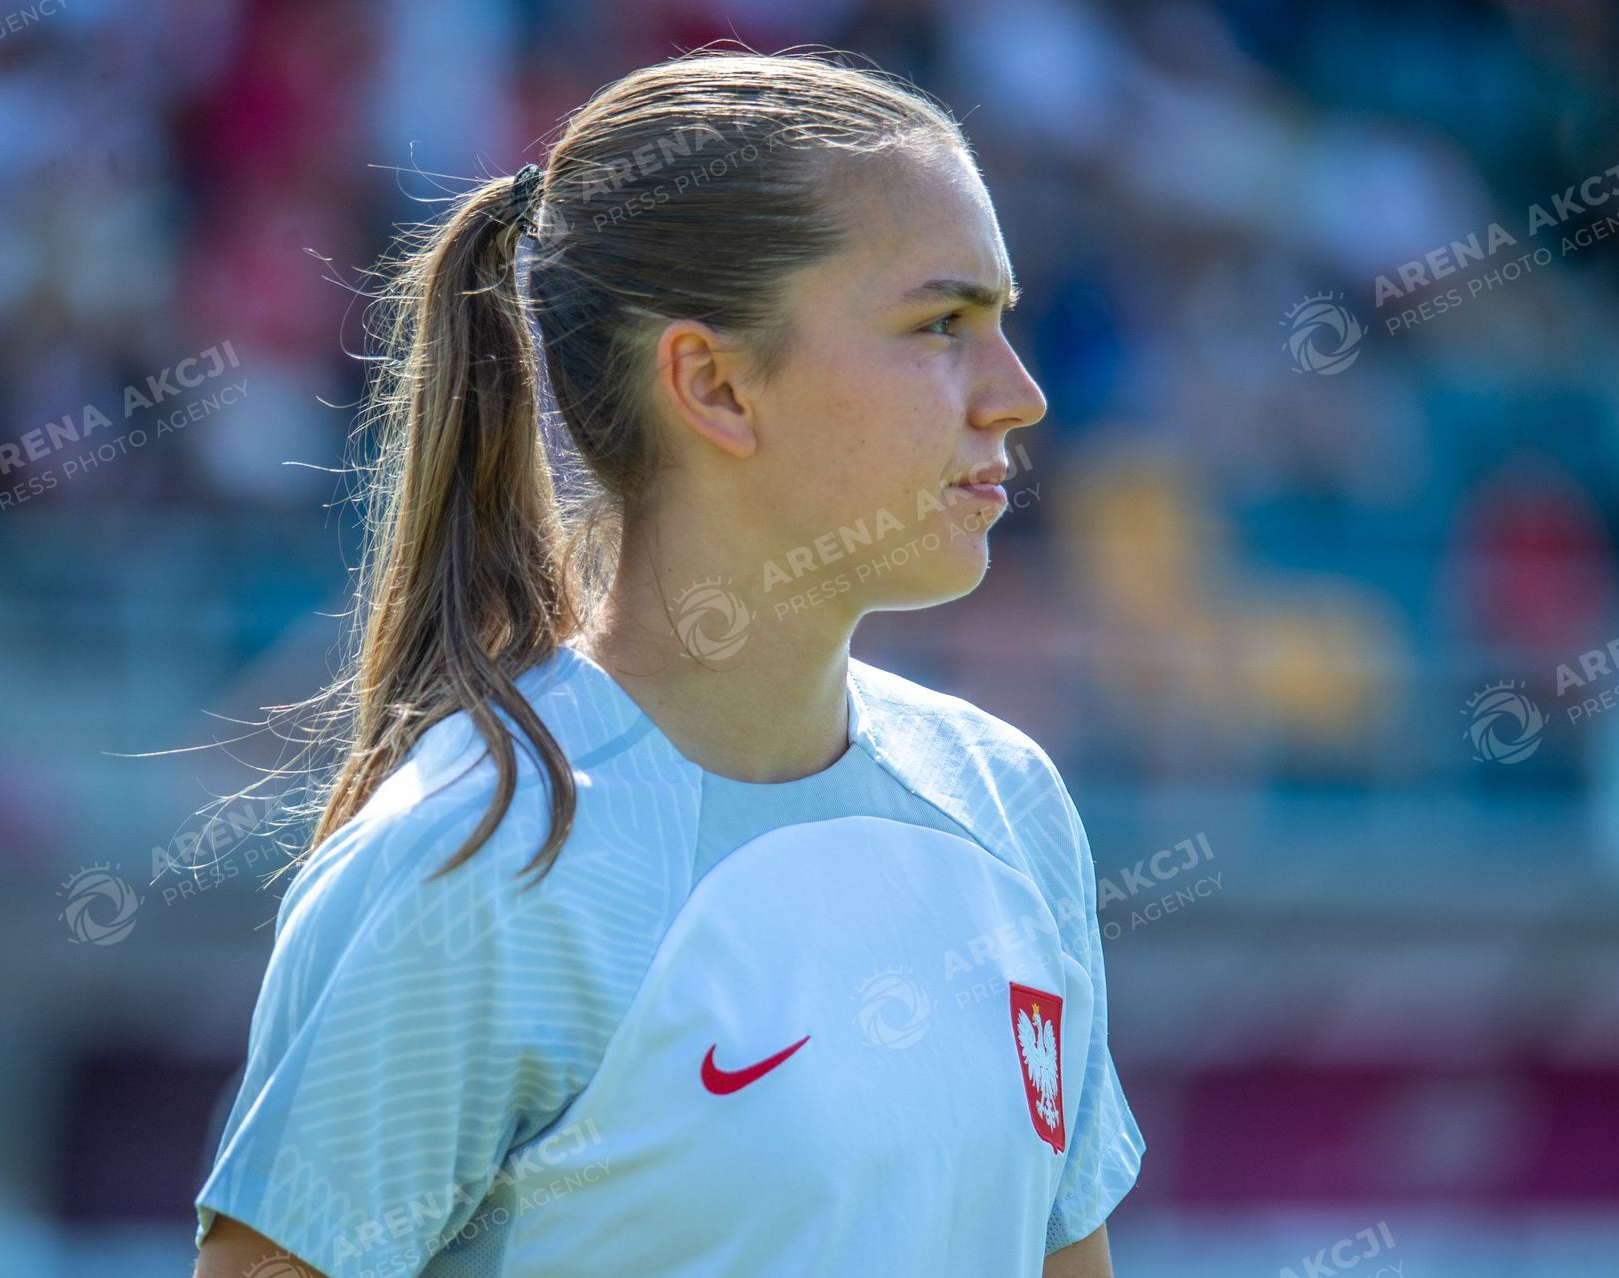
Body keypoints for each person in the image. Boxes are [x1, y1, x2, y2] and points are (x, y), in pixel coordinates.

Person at [191, 46, 1142, 1278]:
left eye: (1003, 322)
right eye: (943, 324)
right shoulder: (473, 861)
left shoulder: (1008, 803)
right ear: (715, 384)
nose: (1019, 395)